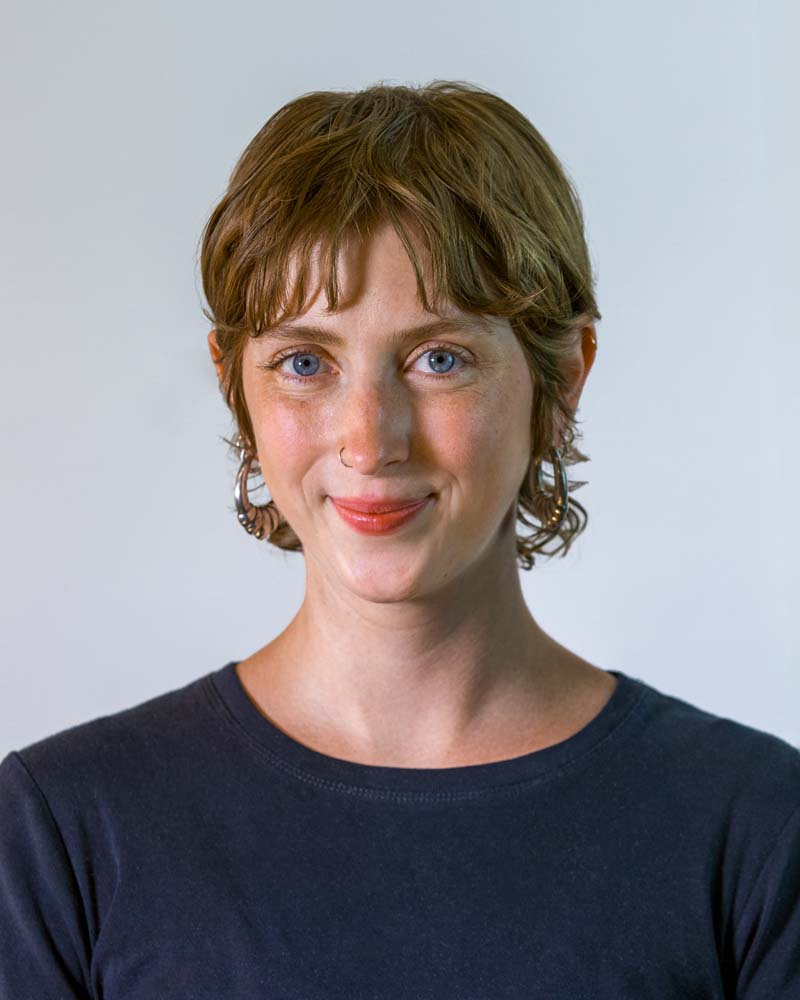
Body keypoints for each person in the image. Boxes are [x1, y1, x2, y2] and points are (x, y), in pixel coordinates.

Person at [0, 80, 797, 999]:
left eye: (439, 359)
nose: (370, 440)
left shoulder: (755, 832)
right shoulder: (68, 829)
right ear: (236, 384)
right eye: (306, 363)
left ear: (562, 375)